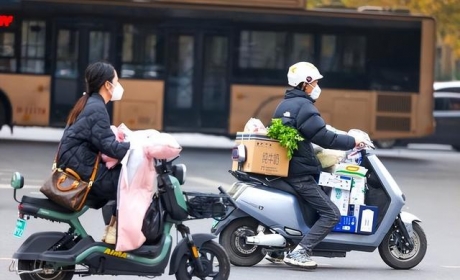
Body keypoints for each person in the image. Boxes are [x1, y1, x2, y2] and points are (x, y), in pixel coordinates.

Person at [269, 62, 365, 269]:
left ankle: (279, 248)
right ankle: (300, 253)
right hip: (300, 173)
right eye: (317, 82)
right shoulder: (304, 107)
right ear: (306, 83)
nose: (318, 87)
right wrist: (352, 141)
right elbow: (324, 137)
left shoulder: (284, 105)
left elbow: (305, 136)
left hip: (291, 167)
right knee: (332, 214)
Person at [57, 61, 131, 244]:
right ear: (107, 85)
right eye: (117, 81)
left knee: (121, 177)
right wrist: (136, 148)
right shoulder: (96, 109)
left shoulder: (89, 104)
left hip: (77, 165)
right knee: (127, 181)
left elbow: (102, 140)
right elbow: (109, 146)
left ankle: (113, 230)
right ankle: (115, 232)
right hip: (82, 169)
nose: (119, 86)